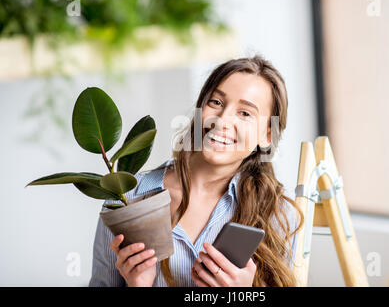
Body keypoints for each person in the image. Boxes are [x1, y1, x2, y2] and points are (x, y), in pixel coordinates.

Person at [89, 55, 304, 287]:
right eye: (216, 103)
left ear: (267, 135)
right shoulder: (128, 198)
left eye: (245, 113)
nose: (222, 121)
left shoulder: (277, 214)